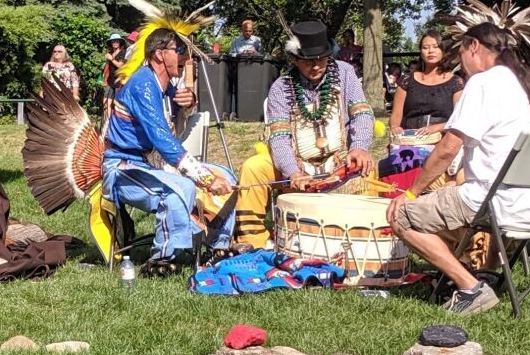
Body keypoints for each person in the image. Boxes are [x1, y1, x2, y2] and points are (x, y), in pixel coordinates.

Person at [386, 22, 530, 315]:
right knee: (457, 193)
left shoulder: (483, 83)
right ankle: (486, 273)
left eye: (461, 53)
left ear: (474, 47)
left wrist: (412, 193)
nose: (460, 64)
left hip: (497, 202)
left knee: (400, 216)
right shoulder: (524, 81)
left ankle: (470, 287)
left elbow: (448, 148)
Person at [101, 27, 235, 274]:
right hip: (123, 168)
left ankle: (218, 248)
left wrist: (191, 101)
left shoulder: (163, 86)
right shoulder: (143, 84)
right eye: (180, 50)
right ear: (160, 54)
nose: (186, 57)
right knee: (181, 188)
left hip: (153, 166)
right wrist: (205, 179)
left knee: (226, 174)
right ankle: (161, 259)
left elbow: (180, 117)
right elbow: (163, 140)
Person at [232, 20, 375, 248]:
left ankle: (360, 240)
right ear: (295, 60)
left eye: (321, 59)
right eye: (308, 61)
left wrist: (359, 146)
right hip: (296, 164)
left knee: (367, 167)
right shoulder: (281, 87)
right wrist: (292, 171)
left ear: (329, 55)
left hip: (340, 160)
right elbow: (279, 137)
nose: (316, 66)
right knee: (254, 167)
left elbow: (362, 113)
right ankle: (253, 241)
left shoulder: (346, 73)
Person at [381, 32, 464, 190]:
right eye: (426, 47)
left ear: (443, 51)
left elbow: (460, 119)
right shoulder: (406, 81)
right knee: (392, 167)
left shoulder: (456, 82)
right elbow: (396, 116)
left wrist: (437, 127)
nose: (430, 51)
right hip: (408, 141)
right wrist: (395, 128)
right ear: (420, 51)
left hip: (440, 140)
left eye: (435, 47)